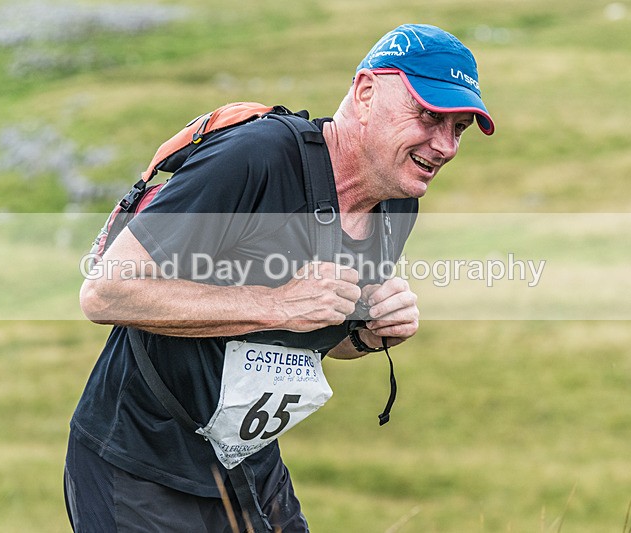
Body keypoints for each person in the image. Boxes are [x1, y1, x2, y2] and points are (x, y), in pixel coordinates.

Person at [65, 23, 494, 532]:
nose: (445, 146)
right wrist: (279, 303)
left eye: (459, 129)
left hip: (249, 467)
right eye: (429, 116)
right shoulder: (257, 158)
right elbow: (105, 292)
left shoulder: (396, 204)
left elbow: (317, 337)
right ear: (365, 92)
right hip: (136, 464)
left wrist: (366, 334)